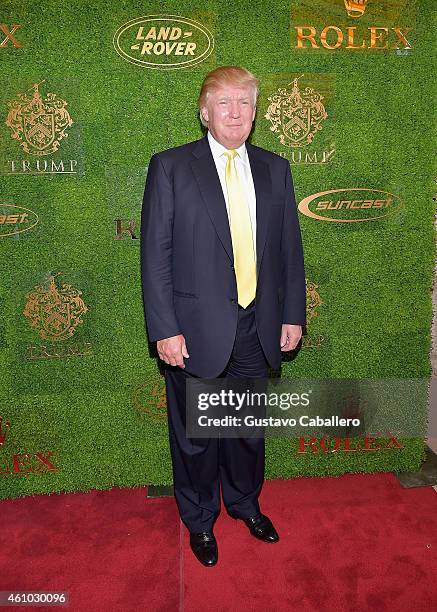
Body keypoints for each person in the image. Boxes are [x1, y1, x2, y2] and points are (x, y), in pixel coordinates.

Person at [140, 66, 306, 567]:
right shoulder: (170, 167)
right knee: (196, 437)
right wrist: (164, 327)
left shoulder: (276, 169)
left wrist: (292, 313)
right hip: (195, 331)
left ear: (256, 112)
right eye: (225, 103)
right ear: (204, 112)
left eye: (246, 104)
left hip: (258, 325)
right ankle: (199, 519)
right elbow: (155, 255)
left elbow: (289, 253)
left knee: (247, 429)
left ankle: (245, 504)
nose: (236, 113)